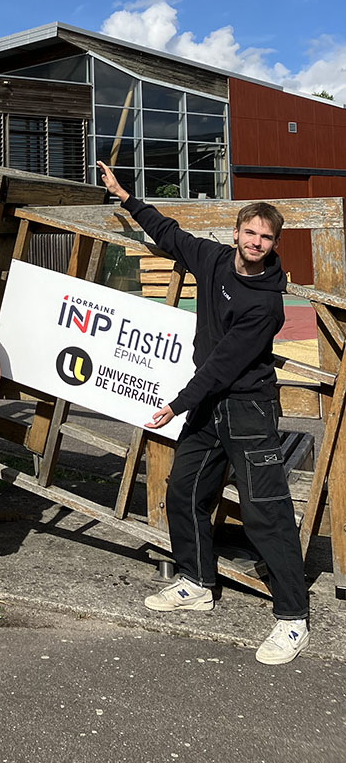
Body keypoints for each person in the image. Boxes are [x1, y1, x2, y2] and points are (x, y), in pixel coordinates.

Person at [97, 160, 309, 666]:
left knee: (265, 511)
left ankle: (293, 618)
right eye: (250, 232)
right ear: (236, 233)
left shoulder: (266, 303)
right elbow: (169, 235)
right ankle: (196, 582)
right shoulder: (213, 258)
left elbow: (222, 366)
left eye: (266, 237)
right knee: (185, 489)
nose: (256, 242)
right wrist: (127, 199)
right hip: (209, 408)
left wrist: (176, 405)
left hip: (248, 407)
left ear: (274, 244)